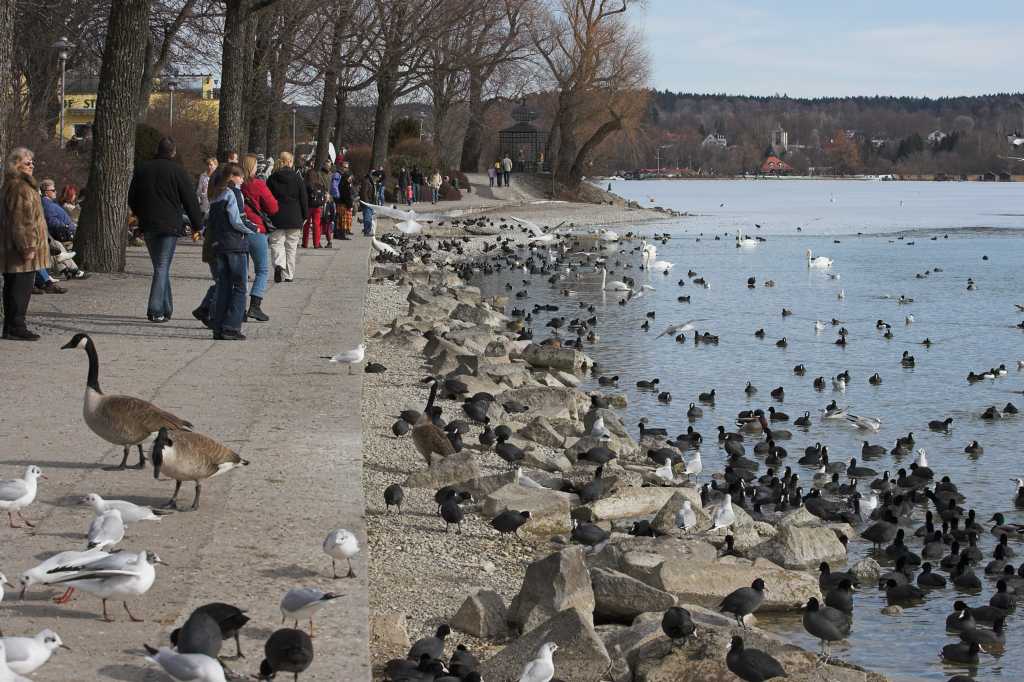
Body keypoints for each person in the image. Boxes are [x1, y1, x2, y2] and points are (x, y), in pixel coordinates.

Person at [126, 136, 202, 322]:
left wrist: (140, 214)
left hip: (149, 223)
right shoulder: (178, 171)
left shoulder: (143, 169)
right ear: (173, 152)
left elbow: (132, 197)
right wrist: (197, 225)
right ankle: (155, 309)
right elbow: (190, 200)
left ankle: (166, 307)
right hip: (170, 224)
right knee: (162, 266)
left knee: (160, 266)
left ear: (157, 150)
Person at [1, 147, 49, 340]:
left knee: (13, 287)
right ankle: (16, 326)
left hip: (12, 248)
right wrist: (27, 247)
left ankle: (11, 326)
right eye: (27, 163)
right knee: (20, 289)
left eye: (32, 162)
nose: (32, 165)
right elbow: (21, 221)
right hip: (20, 249)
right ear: (16, 165)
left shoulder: (12, 185)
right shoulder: (20, 187)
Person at [205, 163, 253, 340]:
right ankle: (231, 327)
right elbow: (236, 220)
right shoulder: (234, 193)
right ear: (232, 177)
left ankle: (218, 327)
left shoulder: (216, 195)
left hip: (219, 244)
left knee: (224, 286)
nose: (242, 180)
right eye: (240, 176)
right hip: (235, 244)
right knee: (240, 286)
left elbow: (209, 221)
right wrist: (252, 229)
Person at [266, 151, 308, 283]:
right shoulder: (298, 178)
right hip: (294, 216)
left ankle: (279, 264)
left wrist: (267, 214)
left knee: (277, 243)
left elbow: (267, 198)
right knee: (291, 247)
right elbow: (303, 198)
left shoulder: (272, 178)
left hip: (277, 216)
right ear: (290, 162)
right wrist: (305, 216)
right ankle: (289, 274)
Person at [302, 167, 328, 248]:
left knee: (306, 225)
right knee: (316, 224)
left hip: (308, 206)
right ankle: (316, 243)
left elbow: (303, 196)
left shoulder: (305, 184)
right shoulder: (320, 185)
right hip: (317, 207)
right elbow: (324, 196)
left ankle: (305, 243)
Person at [196, 157, 217, 222]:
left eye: (211, 165)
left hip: (214, 205)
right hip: (204, 205)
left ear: (216, 165)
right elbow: (199, 190)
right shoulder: (203, 176)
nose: (209, 167)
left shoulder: (218, 176)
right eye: (208, 165)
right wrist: (199, 201)